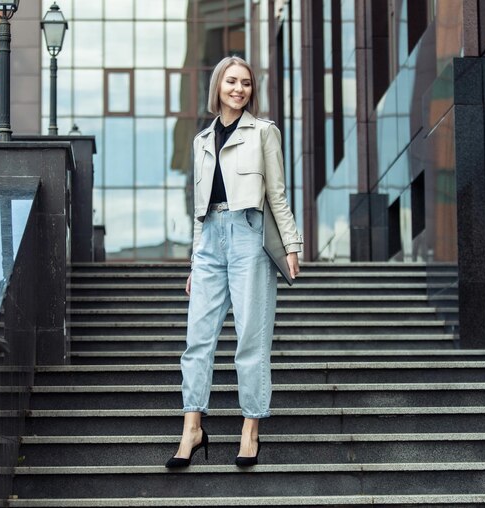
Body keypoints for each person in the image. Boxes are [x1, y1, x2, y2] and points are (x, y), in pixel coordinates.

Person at [165, 56, 302, 469]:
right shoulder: (201, 139)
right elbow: (197, 207)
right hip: (209, 239)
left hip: (249, 235)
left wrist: (291, 243)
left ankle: (250, 429)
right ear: (218, 87)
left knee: (250, 340)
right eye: (231, 81)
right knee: (197, 341)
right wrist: (194, 261)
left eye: (245, 83)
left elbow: (276, 193)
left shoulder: (264, 133)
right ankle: (193, 427)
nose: (238, 89)